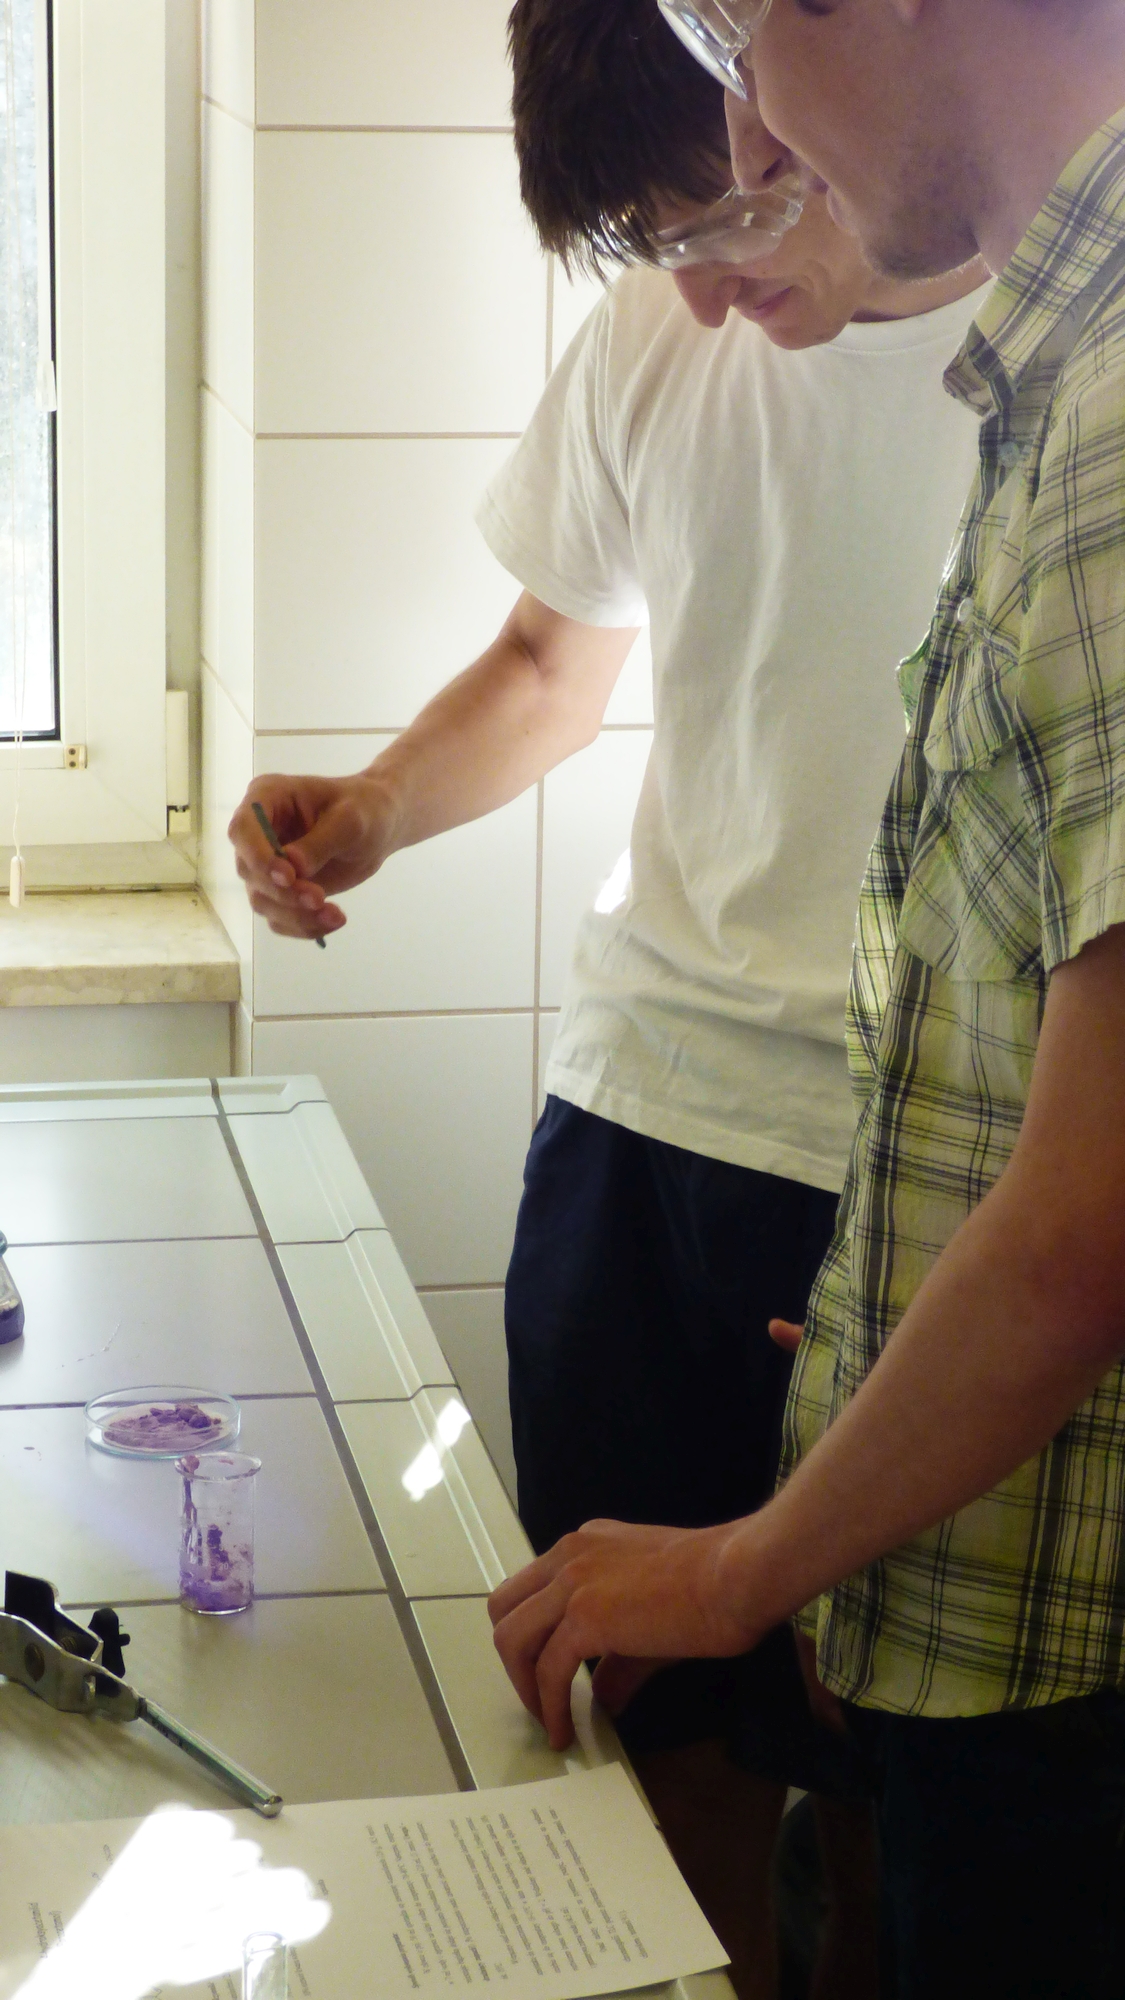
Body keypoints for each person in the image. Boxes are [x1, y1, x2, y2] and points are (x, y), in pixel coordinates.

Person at [229, 5, 985, 1991]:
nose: (704, 284)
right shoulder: (661, 331)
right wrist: (375, 809)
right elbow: (548, 658)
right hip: (638, 1116)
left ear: (797, 98)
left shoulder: (1053, 358)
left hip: (911, 1164)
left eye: (725, 215)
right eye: (654, 244)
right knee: (632, 1719)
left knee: (906, 1777)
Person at [489, 3, 1125, 1995]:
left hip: (1055, 1639)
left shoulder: (1105, 414)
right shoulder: (1052, 365)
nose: (752, 122)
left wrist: (745, 1565)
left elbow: (1087, 1221)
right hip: (962, 1521)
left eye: (744, 31)